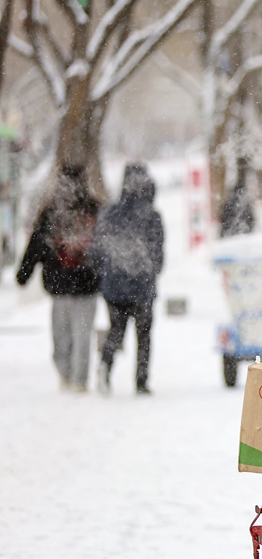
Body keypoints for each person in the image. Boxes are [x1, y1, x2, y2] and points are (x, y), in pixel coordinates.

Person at [16, 165, 101, 392]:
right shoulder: (92, 209)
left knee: (63, 335)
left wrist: (24, 273)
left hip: (63, 284)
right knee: (80, 335)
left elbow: (36, 244)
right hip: (84, 283)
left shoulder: (53, 210)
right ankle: (78, 380)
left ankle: (69, 376)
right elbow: (106, 247)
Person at [94, 164, 164, 395]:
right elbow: (157, 253)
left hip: (114, 286)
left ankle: (105, 366)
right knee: (143, 335)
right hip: (142, 285)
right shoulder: (151, 216)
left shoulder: (109, 213)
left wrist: (105, 274)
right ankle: (141, 381)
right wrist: (151, 272)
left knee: (116, 330)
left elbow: (99, 250)